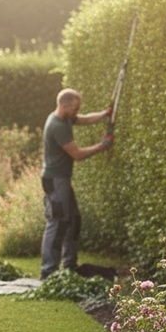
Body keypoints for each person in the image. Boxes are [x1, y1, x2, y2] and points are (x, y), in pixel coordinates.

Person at [39, 88, 114, 281]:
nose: (77, 112)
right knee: (57, 223)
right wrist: (102, 146)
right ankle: (48, 273)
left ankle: (69, 266)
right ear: (64, 105)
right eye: (75, 108)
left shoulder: (64, 118)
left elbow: (85, 119)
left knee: (73, 220)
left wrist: (105, 114)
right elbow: (77, 154)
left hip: (61, 179)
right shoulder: (57, 126)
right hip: (55, 181)